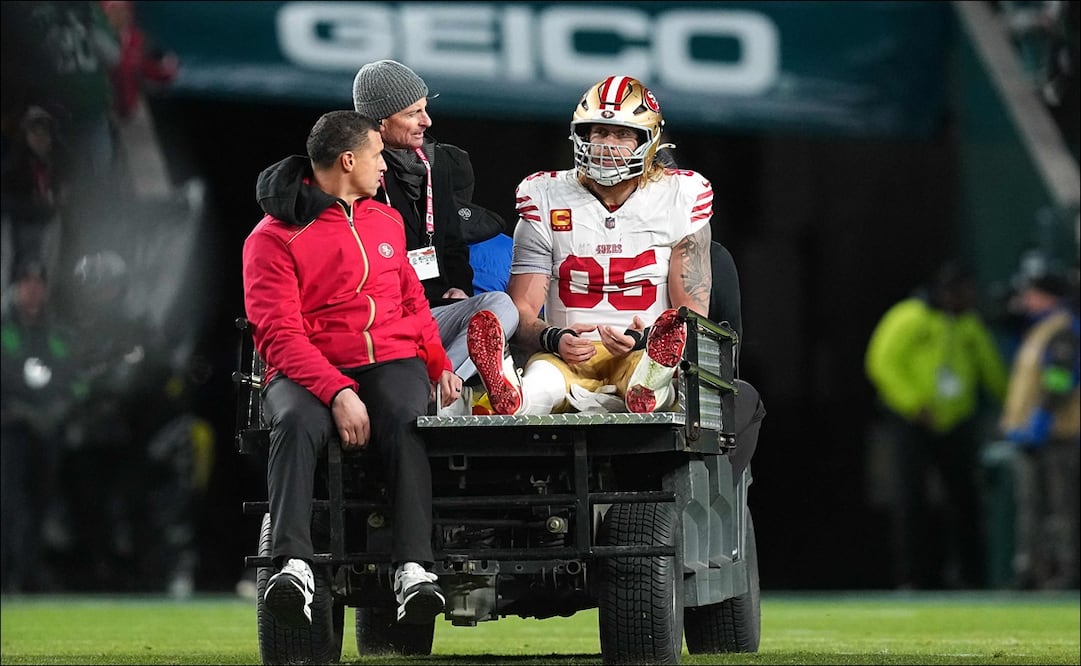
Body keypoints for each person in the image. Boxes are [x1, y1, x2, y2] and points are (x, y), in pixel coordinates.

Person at [242, 110, 457, 627]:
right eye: (379, 156)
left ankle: (413, 569)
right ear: (348, 160)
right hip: (304, 370)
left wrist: (438, 361)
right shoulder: (271, 238)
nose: (386, 166)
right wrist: (338, 391)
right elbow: (279, 336)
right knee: (296, 422)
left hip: (387, 359)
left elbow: (410, 302)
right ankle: (292, 564)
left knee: (408, 418)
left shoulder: (386, 220)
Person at [463, 75, 713, 416]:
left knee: (650, 379)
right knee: (540, 384)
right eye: (599, 132)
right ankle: (510, 393)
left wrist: (644, 340)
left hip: (641, 350)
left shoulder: (680, 196)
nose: (607, 145)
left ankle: (650, 380)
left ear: (648, 140)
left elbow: (692, 317)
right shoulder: (545, 197)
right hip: (565, 355)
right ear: (582, 136)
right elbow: (521, 311)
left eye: (623, 134)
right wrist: (555, 338)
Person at [352, 59, 519, 387]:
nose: (426, 121)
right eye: (413, 113)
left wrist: (458, 288)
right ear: (379, 123)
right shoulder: (354, 173)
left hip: (431, 310)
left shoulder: (435, 163)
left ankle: (442, 387)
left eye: (424, 109)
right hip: (378, 321)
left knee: (501, 307)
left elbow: (453, 244)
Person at [865, 262, 1009, 589]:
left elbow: (991, 369)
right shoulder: (909, 317)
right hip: (912, 422)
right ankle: (912, 577)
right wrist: (914, 404)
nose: (970, 300)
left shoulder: (968, 325)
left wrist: (1010, 408)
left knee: (964, 500)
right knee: (910, 499)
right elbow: (881, 363)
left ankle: (972, 576)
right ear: (947, 292)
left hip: (955, 423)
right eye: (964, 293)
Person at [0, 259, 78, 593]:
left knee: (40, 503)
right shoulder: (5, 331)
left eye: (38, 283)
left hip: (48, 431)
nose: (32, 290)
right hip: (10, 430)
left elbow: (74, 378)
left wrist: (59, 409)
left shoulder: (59, 333)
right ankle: (9, 574)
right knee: (10, 502)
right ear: (15, 287)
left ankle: (29, 575)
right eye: (26, 283)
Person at [999, 270, 1079, 590]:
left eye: (1032, 293)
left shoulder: (1062, 330)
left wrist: (1041, 422)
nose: (1026, 300)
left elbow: (1060, 379)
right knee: (1032, 507)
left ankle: (1067, 571)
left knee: (1061, 507)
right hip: (1031, 435)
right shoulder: (1037, 330)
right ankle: (1033, 571)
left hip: (1059, 435)